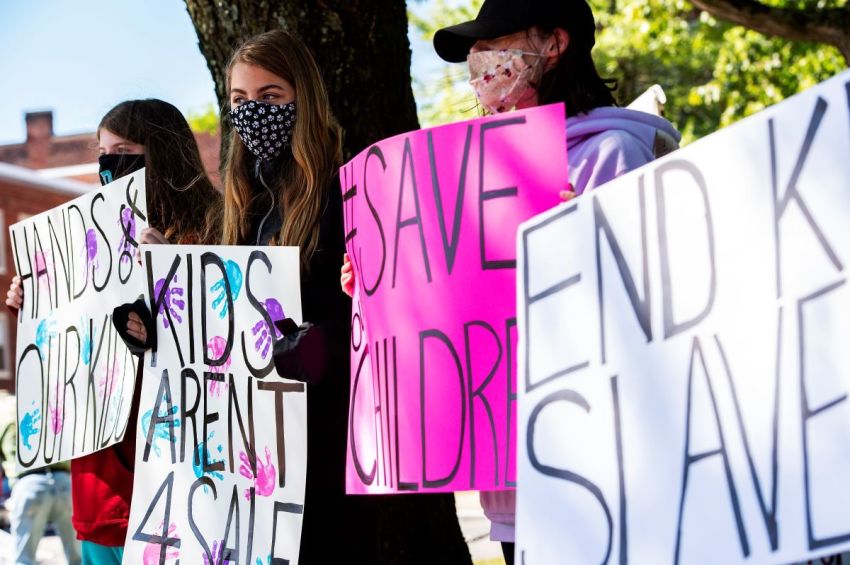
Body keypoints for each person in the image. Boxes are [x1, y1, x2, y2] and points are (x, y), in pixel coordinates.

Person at [342, 1, 681, 563]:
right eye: (473, 48)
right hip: (512, 491)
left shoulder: (612, 154)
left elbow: (645, 309)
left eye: (493, 40)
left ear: (554, 43)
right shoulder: (471, 176)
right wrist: (379, 281)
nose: (476, 57)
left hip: (599, 475)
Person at [122, 29, 472, 565]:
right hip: (249, 461)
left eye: (271, 97)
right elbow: (213, 330)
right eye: (241, 100)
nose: (254, 112)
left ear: (302, 101)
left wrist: (316, 344)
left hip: (324, 455)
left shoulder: (345, 195)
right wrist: (159, 305)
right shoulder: (238, 212)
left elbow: (376, 313)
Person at [7, 98, 221, 565]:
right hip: (98, 474)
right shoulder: (86, 242)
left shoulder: (211, 230)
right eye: (102, 150)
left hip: (175, 472)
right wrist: (36, 305)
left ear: (161, 153)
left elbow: (221, 344)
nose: (108, 163)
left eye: (122, 149)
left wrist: (171, 271)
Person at [0, 391, 80, 565]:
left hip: (28, 484)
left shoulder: (2, 413)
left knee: (24, 560)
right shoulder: (36, 404)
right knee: (77, 559)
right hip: (64, 482)